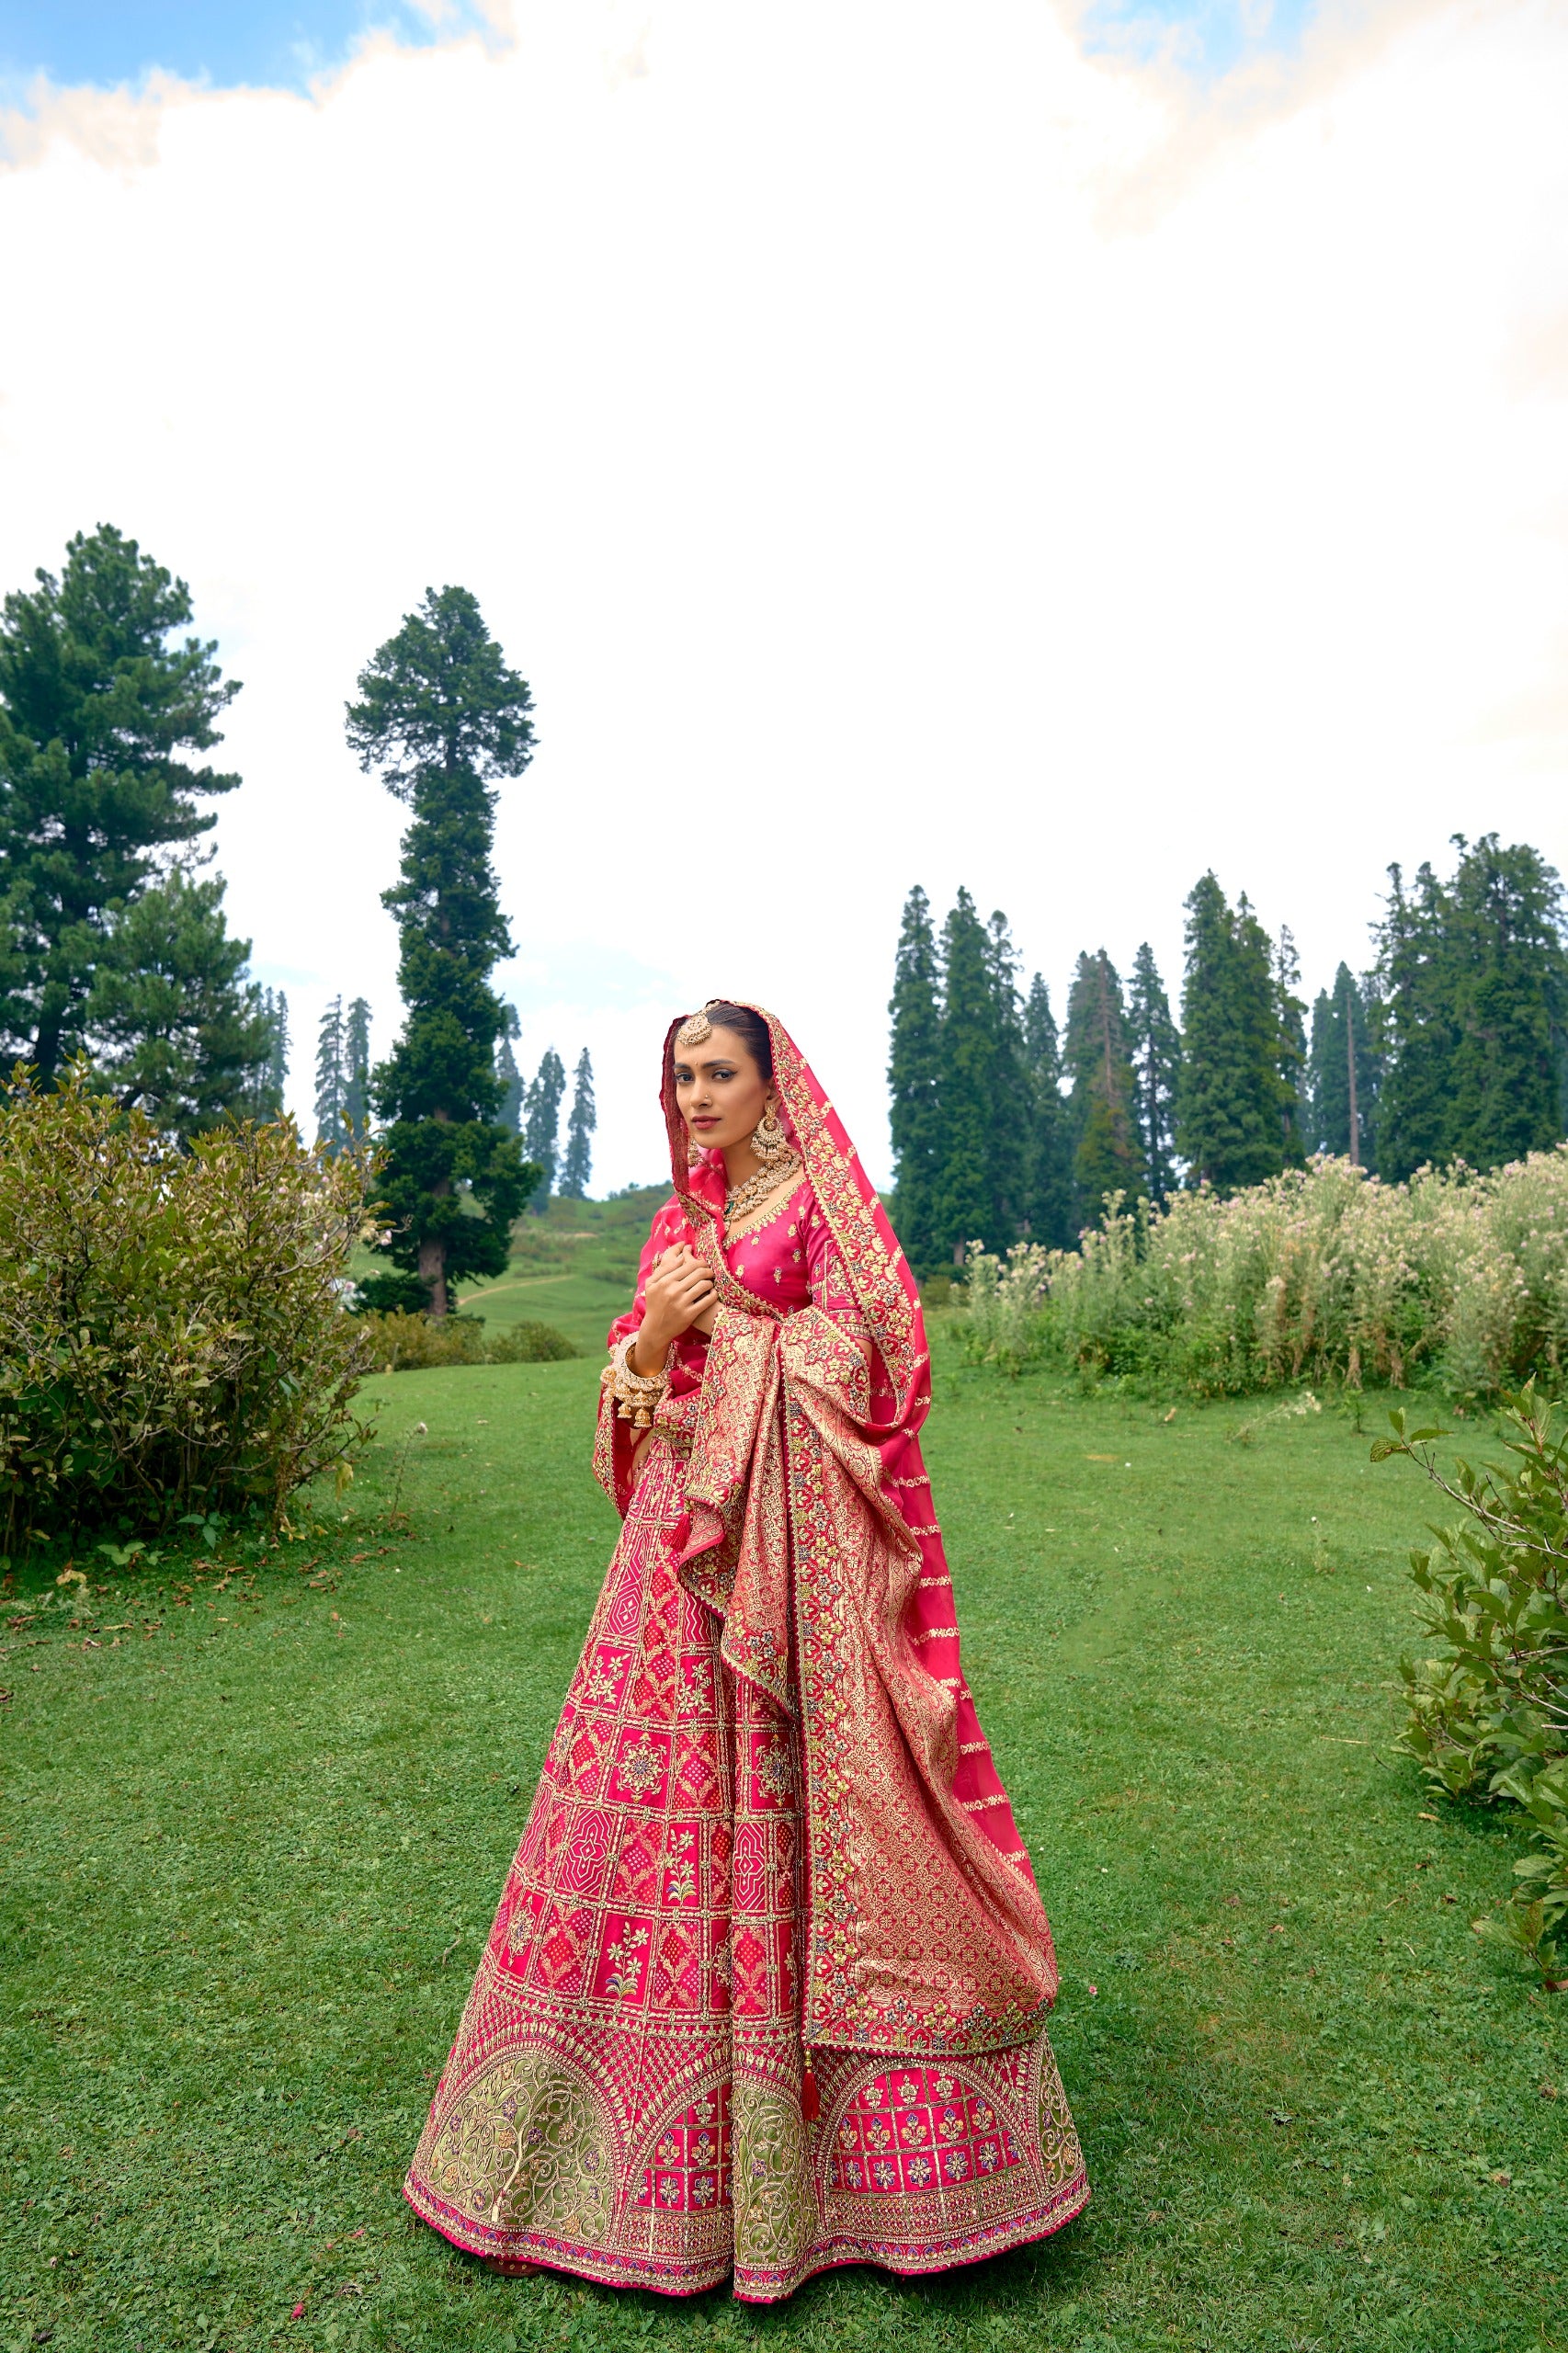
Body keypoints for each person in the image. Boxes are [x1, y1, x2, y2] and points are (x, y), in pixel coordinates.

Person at [404, 1001, 1087, 2300]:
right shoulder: (679, 1222)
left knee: (803, 1820)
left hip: (794, 1578)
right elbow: (634, 1384)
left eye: (719, 1071)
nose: (697, 1093)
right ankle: (588, 2158)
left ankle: (883, 2172)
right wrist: (662, 1333)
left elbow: (885, 1358)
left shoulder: (820, 1206)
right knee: (644, 1831)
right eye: (681, 1075)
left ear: (776, 1085)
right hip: (677, 1564)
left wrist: (748, 1330)